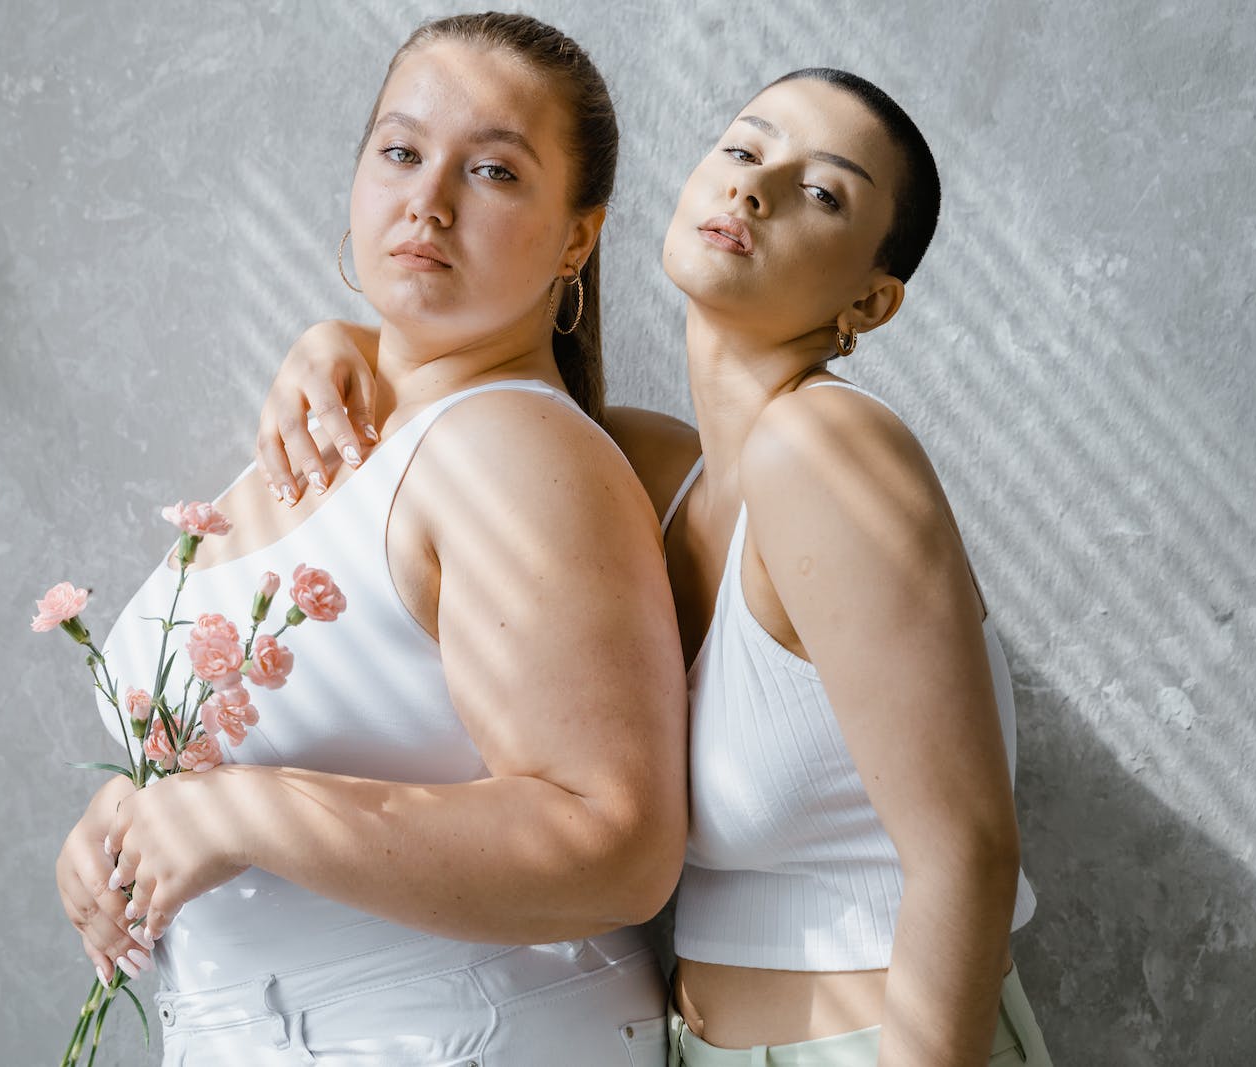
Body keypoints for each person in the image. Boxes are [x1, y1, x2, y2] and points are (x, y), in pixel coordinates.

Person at [254, 68, 1053, 1066]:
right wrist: (340, 344)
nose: (753, 189)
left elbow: (966, 854)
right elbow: (485, 404)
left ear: (872, 300)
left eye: (821, 192)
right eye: (744, 149)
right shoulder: (651, 467)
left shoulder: (827, 447)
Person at [52, 13, 687, 1065]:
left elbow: (616, 845)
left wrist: (249, 810)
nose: (426, 200)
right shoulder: (319, 433)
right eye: (400, 152)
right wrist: (130, 818)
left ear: (577, 236)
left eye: (491, 171)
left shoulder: (509, 447)